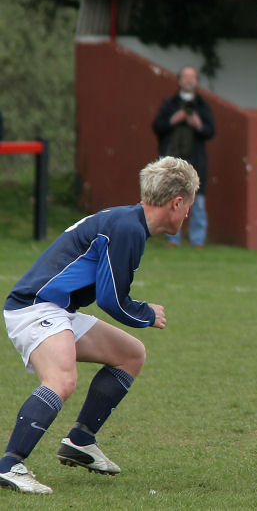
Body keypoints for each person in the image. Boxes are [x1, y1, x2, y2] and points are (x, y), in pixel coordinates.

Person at [0, 157, 199, 494]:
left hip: (57, 308)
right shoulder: (128, 228)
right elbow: (112, 300)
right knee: (61, 379)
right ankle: (9, 465)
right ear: (176, 202)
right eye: (189, 206)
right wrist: (147, 313)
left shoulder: (127, 221)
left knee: (131, 354)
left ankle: (80, 440)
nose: (189, 214)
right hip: (35, 306)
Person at [152, 65, 215, 248]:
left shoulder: (203, 106)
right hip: (173, 162)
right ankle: (173, 239)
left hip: (196, 162)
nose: (189, 80)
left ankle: (198, 241)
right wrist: (174, 119)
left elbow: (210, 131)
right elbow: (157, 126)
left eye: (192, 77)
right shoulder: (169, 104)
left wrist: (198, 124)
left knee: (198, 203)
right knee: (173, 201)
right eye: (185, 77)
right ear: (179, 80)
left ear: (196, 81)